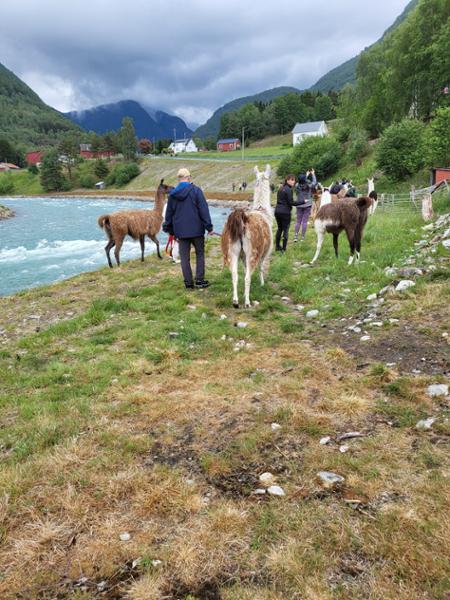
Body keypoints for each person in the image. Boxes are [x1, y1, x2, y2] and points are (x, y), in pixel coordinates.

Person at [163, 167, 213, 289]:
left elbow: (169, 215)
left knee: (184, 257)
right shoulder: (196, 191)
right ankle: (199, 280)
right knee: (200, 254)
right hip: (197, 230)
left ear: (179, 179)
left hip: (181, 232)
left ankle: (188, 283)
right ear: (189, 177)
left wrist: (170, 230)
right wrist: (209, 227)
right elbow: (204, 210)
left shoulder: (172, 195)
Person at [274, 174, 302, 252]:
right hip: (285, 212)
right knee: (285, 230)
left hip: (277, 211)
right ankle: (284, 249)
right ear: (287, 180)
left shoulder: (280, 188)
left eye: (294, 180)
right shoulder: (289, 190)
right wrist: (302, 202)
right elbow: (291, 202)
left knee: (279, 229)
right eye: (292, 180)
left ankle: (277, 247)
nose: (294, 181)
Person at [294, 169, 317, 242]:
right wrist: (312, 174)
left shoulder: (297, 185)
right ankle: (303, 237)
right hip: (307, 205)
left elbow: (301, 181)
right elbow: (314, 182)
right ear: (305, 179)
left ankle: (295, 236)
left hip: (299, 204)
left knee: (298, 221)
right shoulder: (309, 185)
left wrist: (305, 176)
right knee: (304, 222)